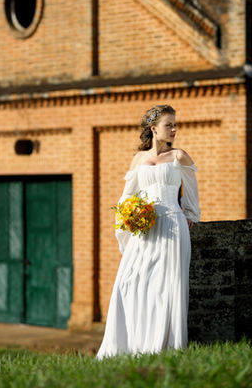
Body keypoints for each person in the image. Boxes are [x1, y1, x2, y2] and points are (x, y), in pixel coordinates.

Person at [96, 104, 201, 360]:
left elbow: (192, 198)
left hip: (172, 228)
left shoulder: (180, 157)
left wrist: (188, 216)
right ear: (154, 129)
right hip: (145, 229)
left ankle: (161, 348)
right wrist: (128, 217)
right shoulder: (138, 160)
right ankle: (129, 345)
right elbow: (127, 198)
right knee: (128, 281)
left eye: (175, 124)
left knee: (166, 289)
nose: (174, 129)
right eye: (169, 125)